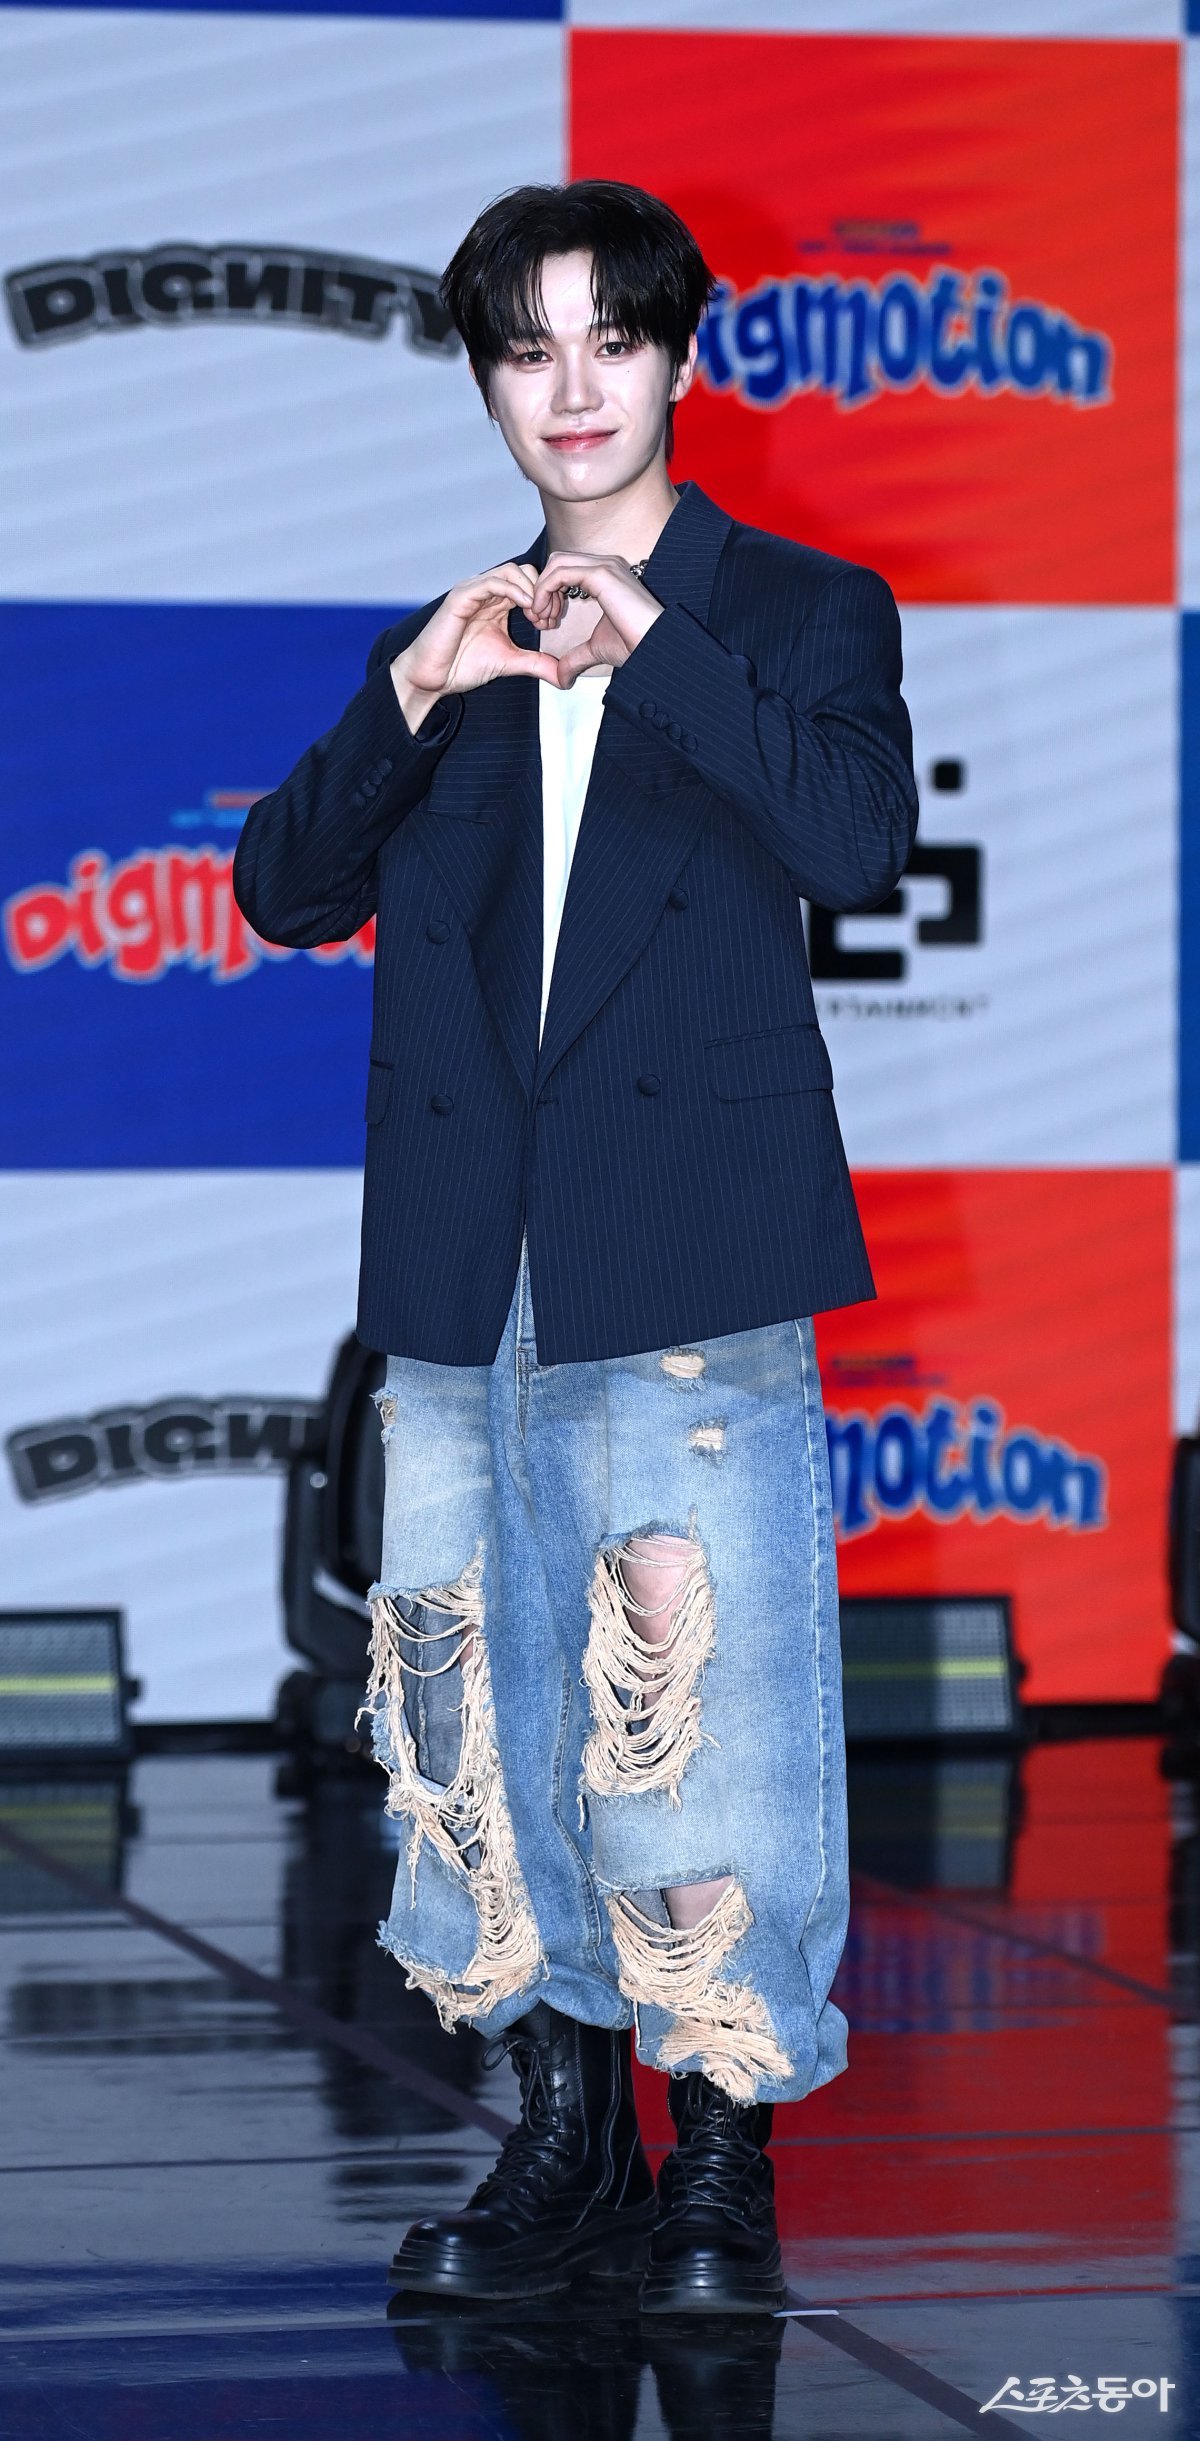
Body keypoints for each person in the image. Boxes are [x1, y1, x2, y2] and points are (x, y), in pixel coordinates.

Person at [233, 178, 919, 2314]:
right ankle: (563, 2136)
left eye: (611, 339)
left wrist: (663, 657)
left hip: (683, 1260)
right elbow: (280, 890)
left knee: (701, 1712)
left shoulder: (794, 609)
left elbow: (859, 840)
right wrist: (410, 693)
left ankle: (719, 2147)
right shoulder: (450, 642)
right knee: (475, 1717)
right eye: (526, 350)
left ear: (679, 357)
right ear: (486, 386)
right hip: (470, 1272)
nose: (573, 388)